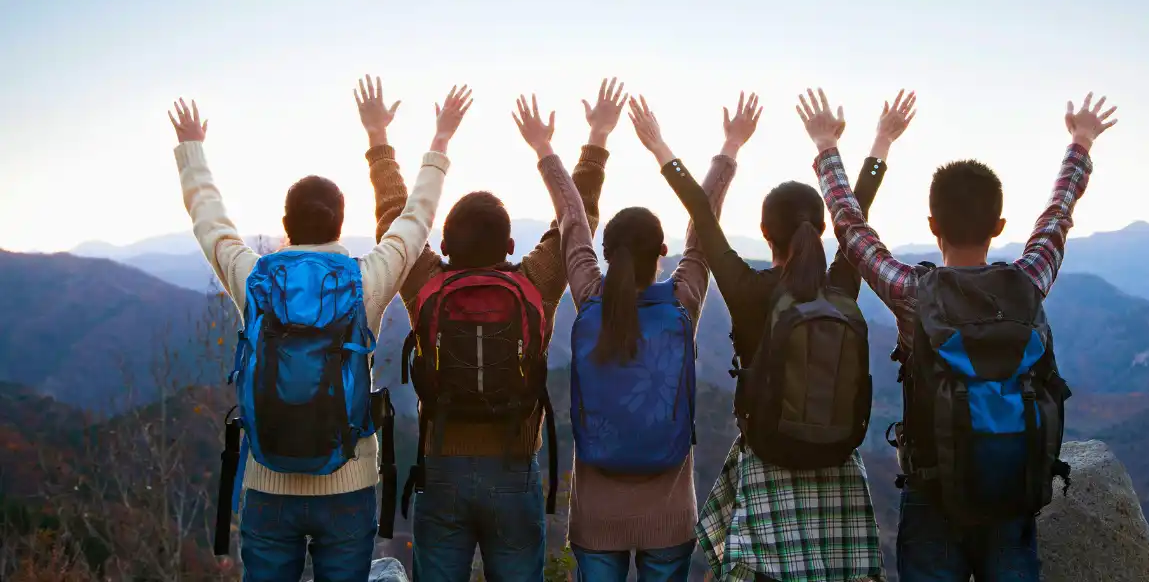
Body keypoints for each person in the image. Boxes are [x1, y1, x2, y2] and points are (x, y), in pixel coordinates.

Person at [804, 88, 1118, 582]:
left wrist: (826, 146)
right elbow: (1058, 215)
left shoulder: (913, 293)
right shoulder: (1029, 282)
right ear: (999, 226)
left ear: (933, 226)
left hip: (934, 494)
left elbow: (850, 226)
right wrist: (1081, 140)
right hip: (1013, 488)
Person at [168, 75, 458, 582]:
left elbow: (210, 224)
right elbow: (414, 222)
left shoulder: (255, 280)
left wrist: (192, 148)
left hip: (268, 481)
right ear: (340, 224)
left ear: (286, 223)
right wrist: (436, 142)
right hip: (347, 483)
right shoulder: (364, 281)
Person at [360, 78, 628, 582]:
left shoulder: (427, 286)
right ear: (509, 244)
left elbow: (395, 222)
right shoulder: (534, 283)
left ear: (443, 239)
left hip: (441, 470)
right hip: (513, 466)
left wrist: (385, 138)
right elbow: (577, 221)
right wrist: (594, 138)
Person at [659, 91, 911, 582]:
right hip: (838, 468)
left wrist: (665, 148)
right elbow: (856, 214)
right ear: (822, 229)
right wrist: (880, 142)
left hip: (768, 464)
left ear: (763, 231)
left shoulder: (748, 290)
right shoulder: (839, 285)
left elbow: (702, 217)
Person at [517, 93, 751, 581]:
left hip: (596, 517)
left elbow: (572, 218)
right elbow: (702, 228)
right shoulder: (682, 302)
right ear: (662, 252)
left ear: (605, 255)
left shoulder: (589, 296)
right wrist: (729, 149)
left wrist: (546, 148)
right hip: (667, 516)